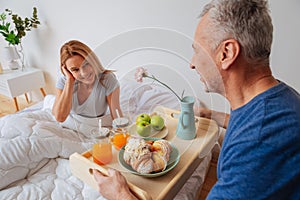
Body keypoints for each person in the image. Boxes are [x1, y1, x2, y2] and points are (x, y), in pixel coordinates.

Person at [93, 0, 300, 199]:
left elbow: (256, 137)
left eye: (197, 51)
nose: (192, 64)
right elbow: (250, 121)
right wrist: (212, 115)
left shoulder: (259, 142)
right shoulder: (278, 98)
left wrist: (119, 195)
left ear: (226, 53)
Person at [52, 40, 123, 124]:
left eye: (86, 64)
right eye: (75, 69)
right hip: (71, 123)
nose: (84, 73)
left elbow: (117, 116)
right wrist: (70, 81)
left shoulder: (107, 79)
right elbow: (60, 118)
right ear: (67, 70)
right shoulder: (65, 82)